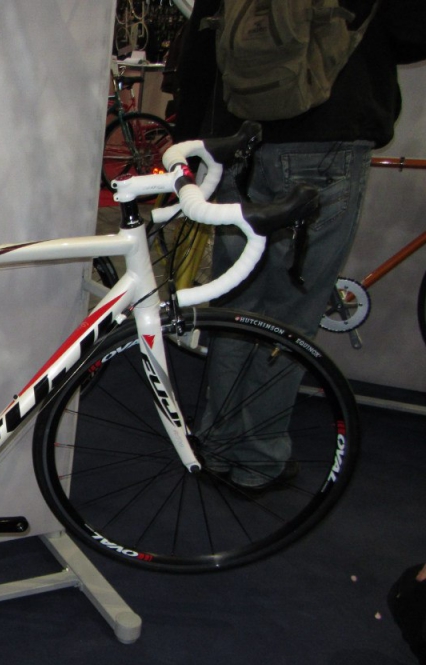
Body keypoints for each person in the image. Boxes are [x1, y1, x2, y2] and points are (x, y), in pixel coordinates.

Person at [174, 0, 426, 489]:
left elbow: (199, 49)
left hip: (235, 141)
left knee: (236, 306)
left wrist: (190, 148)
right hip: (327, 139)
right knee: (290, 313)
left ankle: (216, 443)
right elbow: (412, 31)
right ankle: (257, 459)